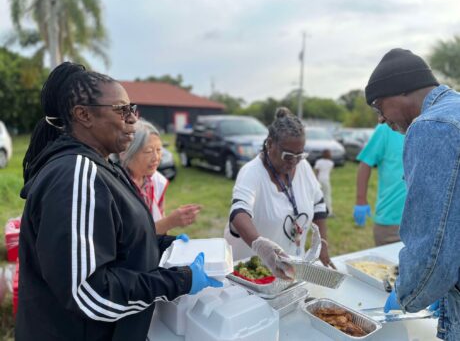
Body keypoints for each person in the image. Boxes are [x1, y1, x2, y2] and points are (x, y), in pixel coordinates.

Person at [16, 62, 222, 341]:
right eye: (121, 110)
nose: (133, 120)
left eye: (132, 109)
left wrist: (168, 245)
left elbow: (118, 241)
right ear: (83, 115)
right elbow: (88, 293)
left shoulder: (103, 165)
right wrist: (178, 281)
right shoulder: (75, 174)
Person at [365, 48, 460, 340]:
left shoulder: (432, 127)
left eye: (379, 106)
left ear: (400, 91)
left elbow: (433, 249)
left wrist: (408, 292)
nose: (381, 119)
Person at [224, 107, 335, 279]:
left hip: (288, 271)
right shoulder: (251, 173)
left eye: (300, 155)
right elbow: (239, 213)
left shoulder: (302, 167)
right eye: (288, 155)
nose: (294, 162)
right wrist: (260, 245)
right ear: (270, 144)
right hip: (251, 275)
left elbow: (318, 204)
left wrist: (322, 244)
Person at [119, 118, 201, 234]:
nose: (156, 157)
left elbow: (160, 227)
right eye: (148, 151)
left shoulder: (156, 181)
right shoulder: (116, 186)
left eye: (159, 150)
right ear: (124, 153)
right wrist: (170, 222)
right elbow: (128, 237)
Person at [353, 123, 406, 246]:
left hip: (427, 222)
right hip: (391, 224)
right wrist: (360, 200)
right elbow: (366, 162)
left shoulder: (433, 124)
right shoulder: (387, 128)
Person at [314, 149, 335, 217]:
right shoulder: (331, 163)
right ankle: (329, 212)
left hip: (319, 179)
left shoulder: (319, 161)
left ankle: (316, 211)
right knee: (327, 196)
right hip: (326, 180)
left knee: (318, 196)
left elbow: (317, 171)